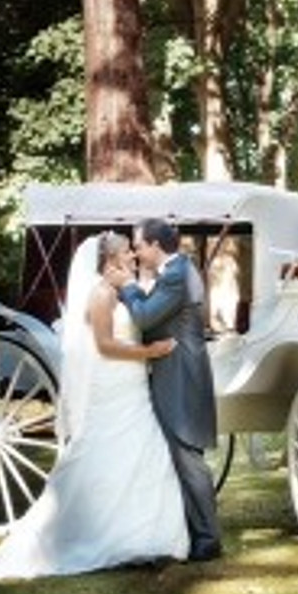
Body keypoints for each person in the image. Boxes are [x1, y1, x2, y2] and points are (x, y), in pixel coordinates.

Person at [0, 232, 188, 580]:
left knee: (145, 452)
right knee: (106, 452)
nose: (133, 255)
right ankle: (90, 533)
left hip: (132, 383)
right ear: (110, 259)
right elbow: (104, 345)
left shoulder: (124, 289)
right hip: (113, 379)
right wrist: (149, 353)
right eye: (127, 252)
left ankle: (145, 536)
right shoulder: (101, 294)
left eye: (133, 251)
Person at [109, 218, 222, 562]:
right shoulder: (175, 271)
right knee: (181, 457)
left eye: (140, 245)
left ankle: (208, 539)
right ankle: (193, 530)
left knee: (187, 457)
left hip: (180, 375)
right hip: (172, 372)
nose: (138, 252)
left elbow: (145, 318)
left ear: (156, 246)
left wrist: (127, 285)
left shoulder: (176, 275)